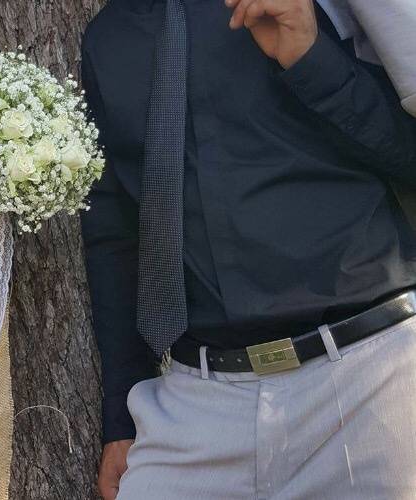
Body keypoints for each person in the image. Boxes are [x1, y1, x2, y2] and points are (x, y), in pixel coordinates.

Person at [80, 0, 416, 498]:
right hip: (194, 409)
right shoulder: (107, 37)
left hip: (370, 381)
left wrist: (310, 54)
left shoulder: (322, 7)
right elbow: (114, 233)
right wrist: (120, 419)